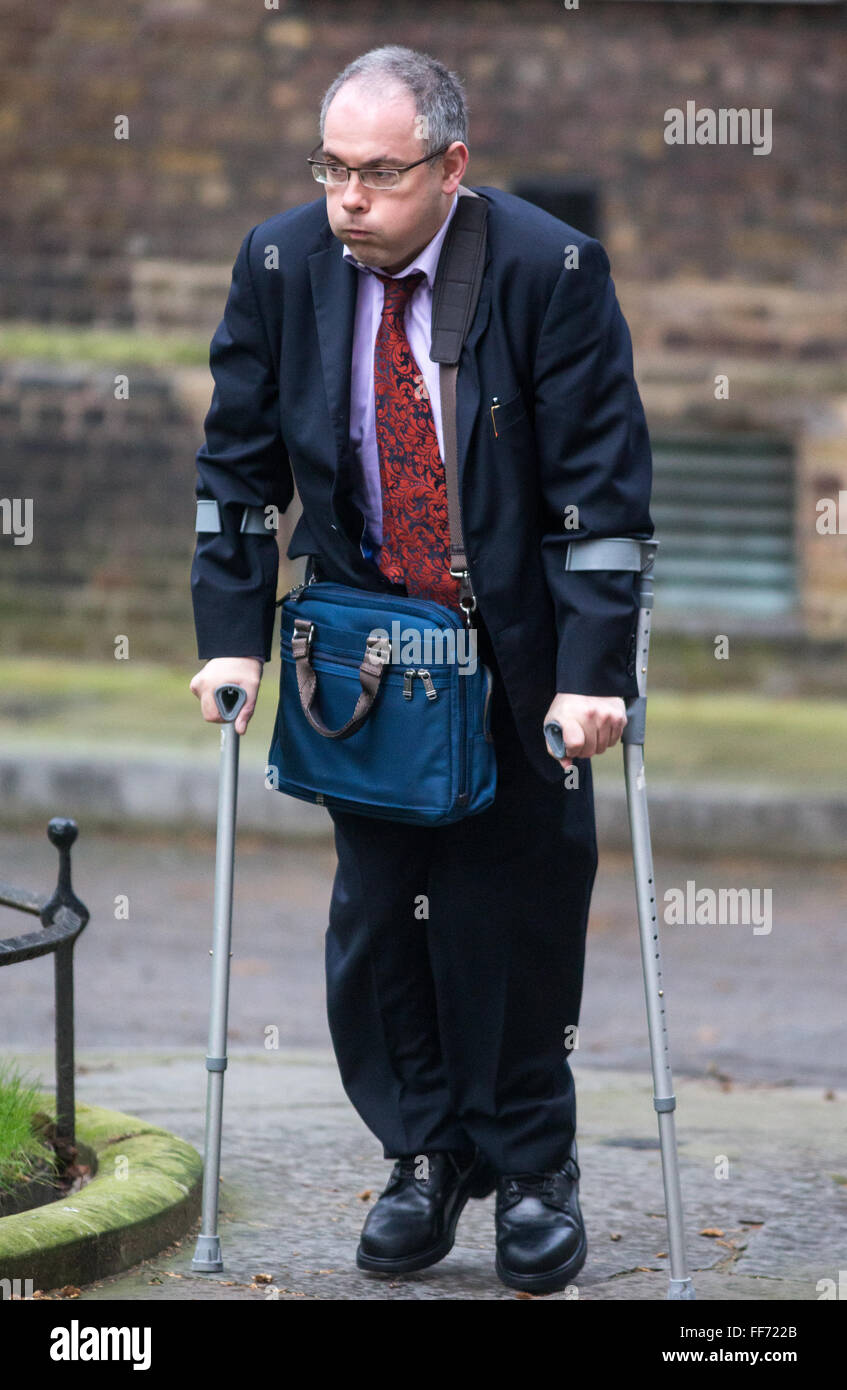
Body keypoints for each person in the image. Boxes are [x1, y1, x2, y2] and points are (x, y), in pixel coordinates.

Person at [189, 44, 653, 1295]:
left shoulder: (549, 271)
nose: (348, 197)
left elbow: (604, 489)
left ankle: (533, 1167)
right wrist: (230, 635)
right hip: (366, 656)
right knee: (377, 918)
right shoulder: (282, 262)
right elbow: (237, 468)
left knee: (514, 913)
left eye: (379, 174)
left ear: (452, 167)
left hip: (519, 655)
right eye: (332, 168)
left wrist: (594, 667)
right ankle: (423, 1154)